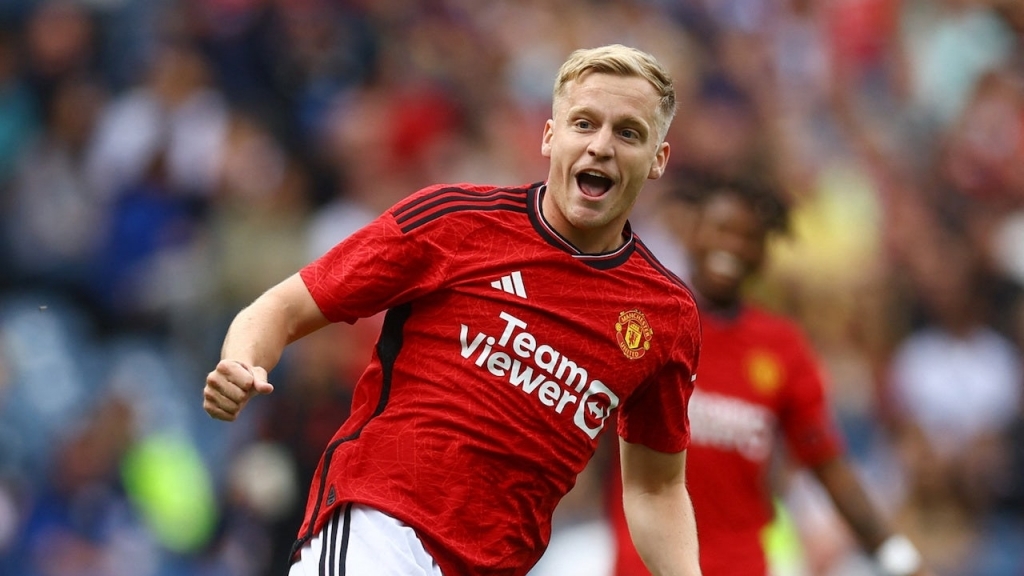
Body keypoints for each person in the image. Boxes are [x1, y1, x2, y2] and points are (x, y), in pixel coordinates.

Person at [203, 44, 703, 576]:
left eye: (628, 132)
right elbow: (282, 307)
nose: (600, 146)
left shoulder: (666, 316)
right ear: (550, 136)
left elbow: (656, 488)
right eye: (584, 124)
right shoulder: (455, 222)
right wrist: (241, 360)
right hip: (380, 530)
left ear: (658, 159)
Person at [607, 170, 930, 576]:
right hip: (645, 566)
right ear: (691, 233)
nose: (732, 246)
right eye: (722, 229)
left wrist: (900, 560)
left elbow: (828, 466)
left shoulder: (782, 347)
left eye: (749, 237)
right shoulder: (644, 322)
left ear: (764, 253)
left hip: (739, 566)